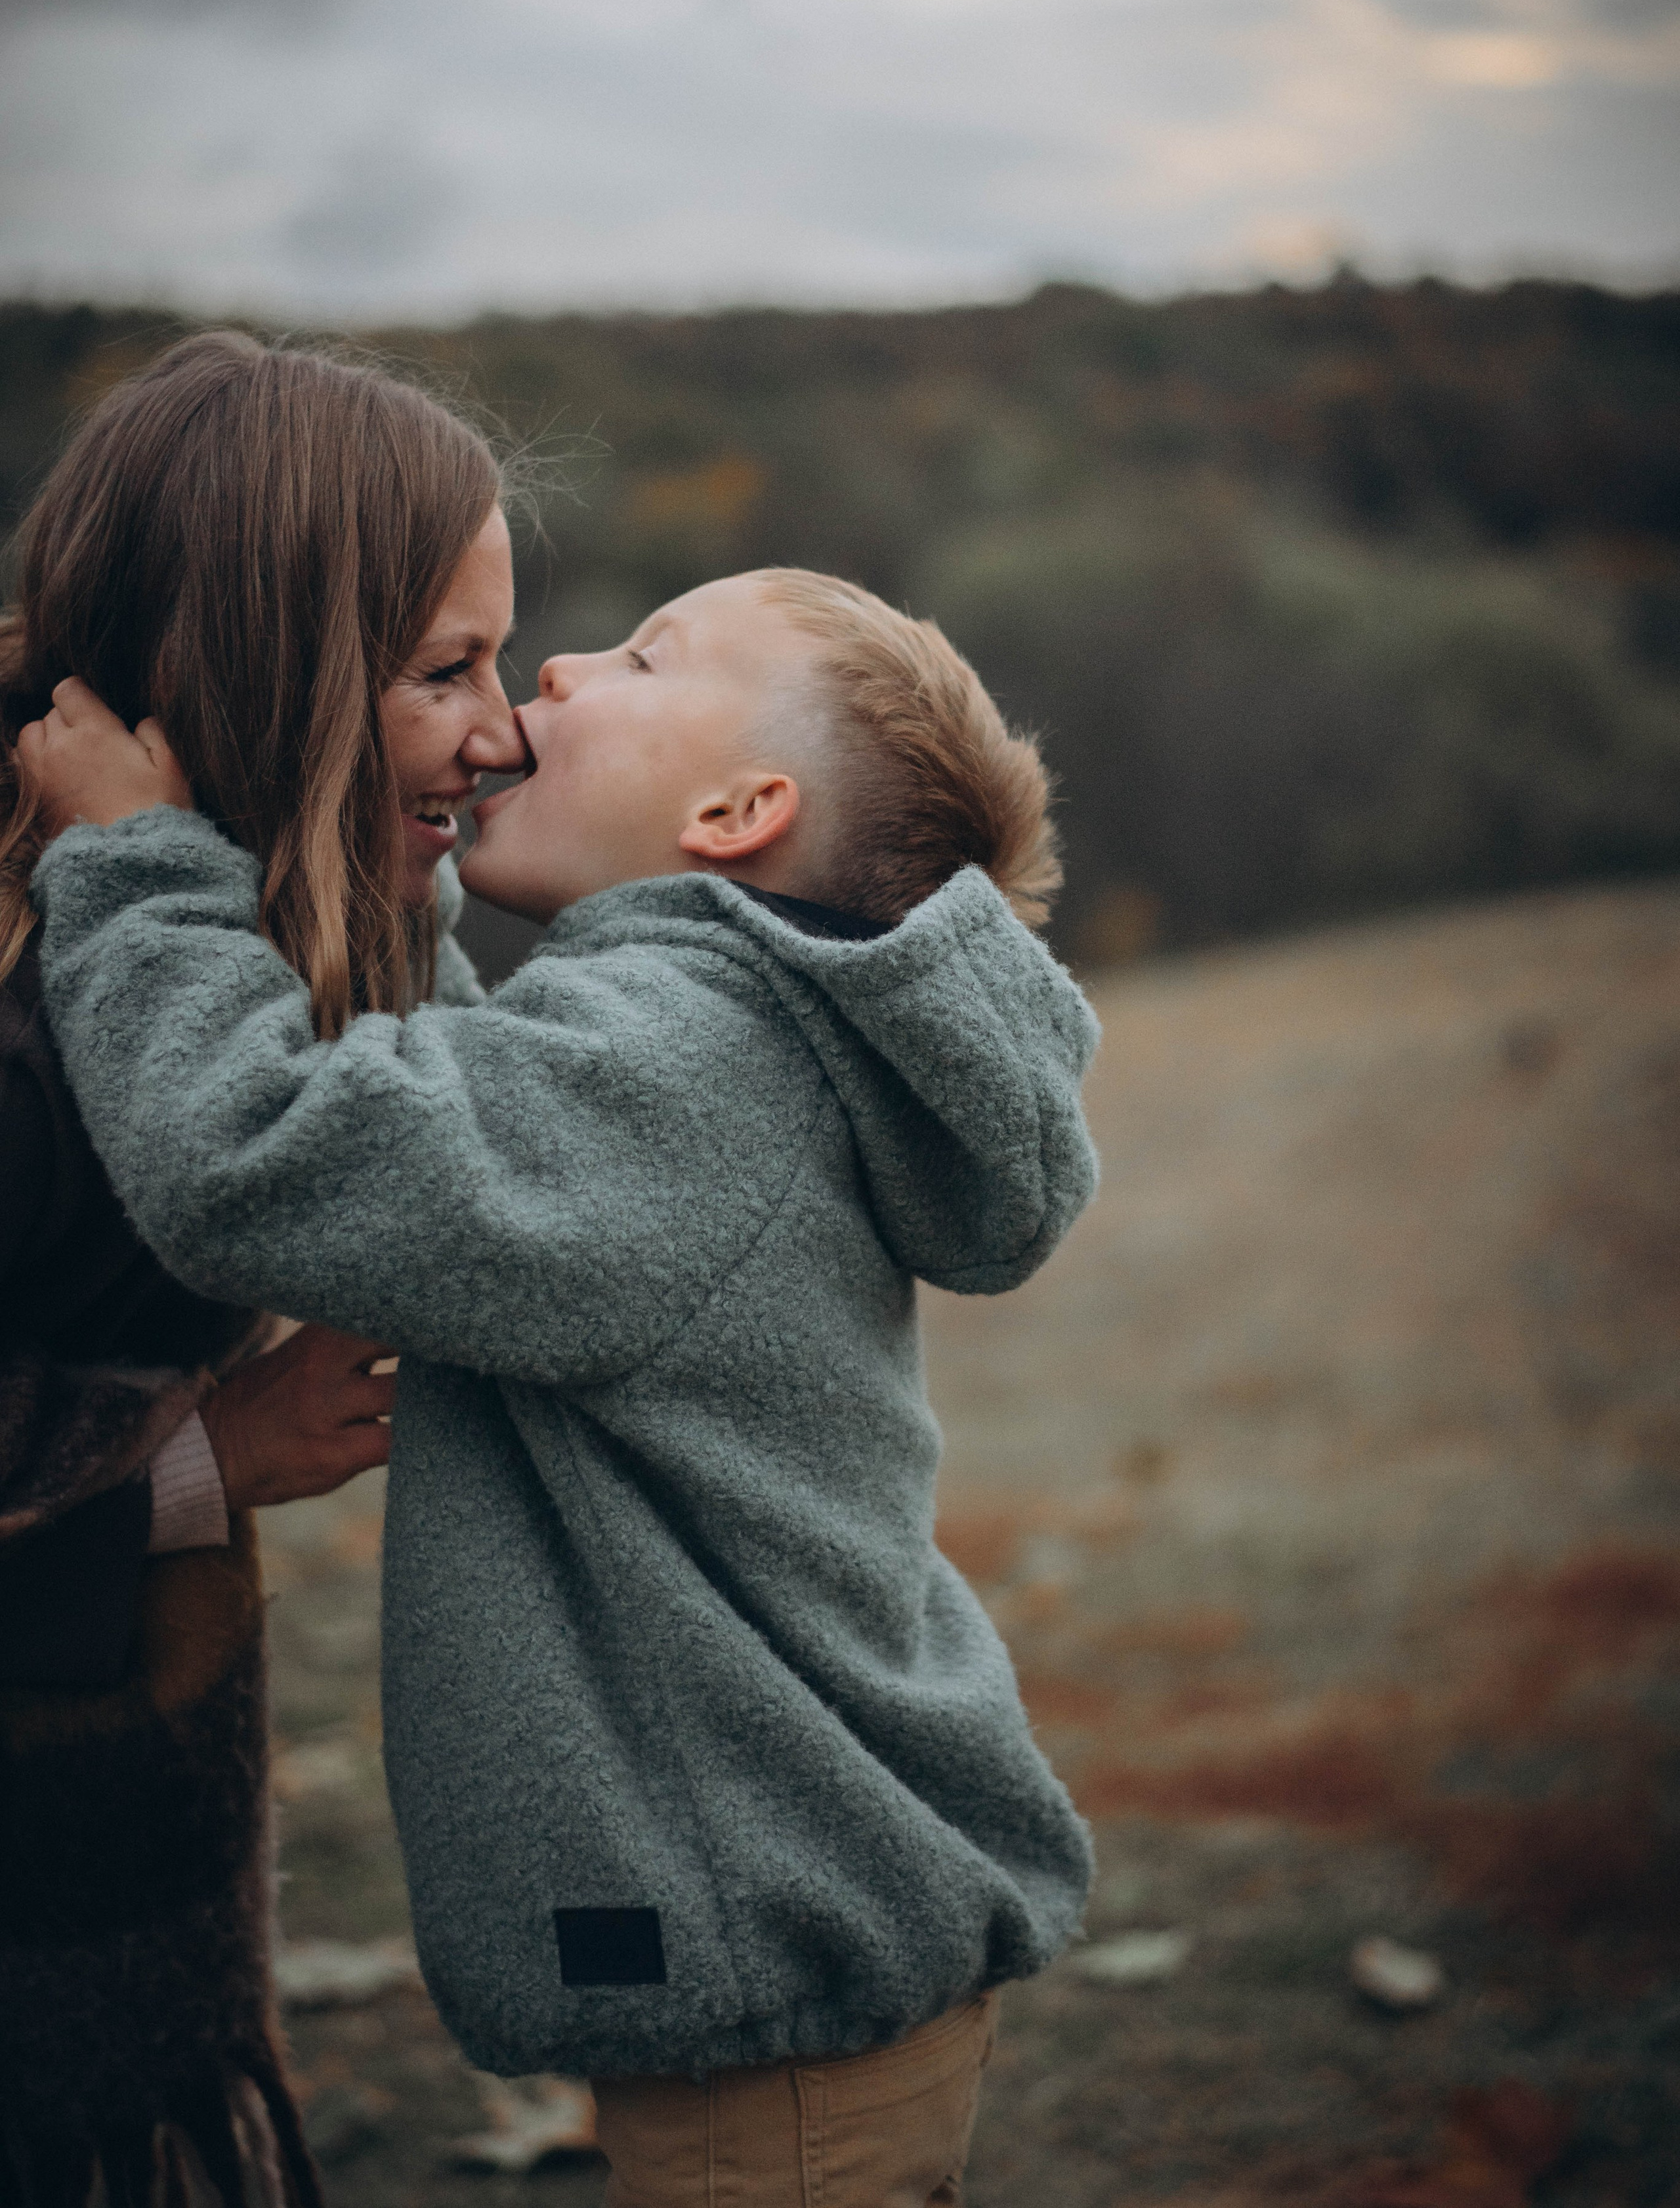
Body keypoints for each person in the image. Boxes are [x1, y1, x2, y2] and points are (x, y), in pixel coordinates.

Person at [24, 566, 1101, 2208]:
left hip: (778, 2035)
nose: (560, 667)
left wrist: (135, 871)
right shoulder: (711, 1032)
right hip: (789, 1969)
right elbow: (462, 1103)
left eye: (645, 654)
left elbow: (265, 1155)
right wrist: (397, 881)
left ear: (741, 809)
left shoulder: (690, 1069)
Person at [0, 331, 525, 2205]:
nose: (506, 728)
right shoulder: (23, 1021)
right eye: (445, 669)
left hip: (128, 1859)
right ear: (265, 669)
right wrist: (205, 1446)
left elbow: (466, 1126)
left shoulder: (256, 921)